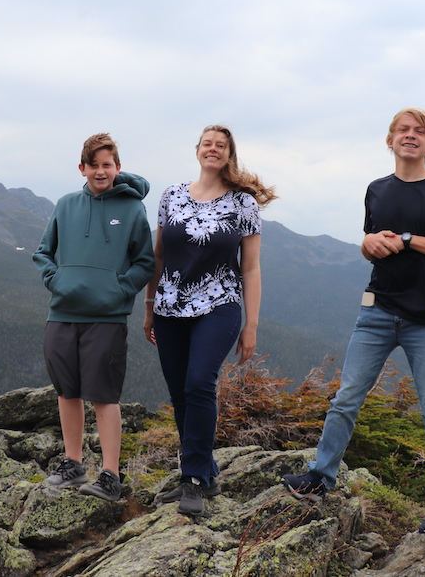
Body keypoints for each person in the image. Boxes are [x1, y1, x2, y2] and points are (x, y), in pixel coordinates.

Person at [281, 107, 425, 535]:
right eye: (402, 130)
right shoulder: (376, 190)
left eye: (419, 132)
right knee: (347, 398)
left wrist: (407, 239)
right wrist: (368, 244)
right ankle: (320, 478)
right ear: (390, 140)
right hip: (376, 310)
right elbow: (372, 246)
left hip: (424, 317)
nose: (410, 136)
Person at [143, 124, 277, 517]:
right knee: (181, 393)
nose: (213, 149)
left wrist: (251, 325)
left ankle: (196, 480)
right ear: (197, 150)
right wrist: (150, 306)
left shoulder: (243, 204)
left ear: (229, 154)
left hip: (220, 304)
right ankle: (200, 470)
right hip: (170, 306)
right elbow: (159, 255)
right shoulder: (171, 196)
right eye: (208, 144)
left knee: (200, 383)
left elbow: (250, 269)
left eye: (221, 145)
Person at [33, 132, 155, 502]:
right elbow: (43, 252)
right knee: (66, 391)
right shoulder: (66, 204)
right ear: (81, 168)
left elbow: (145, 261)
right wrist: (58, 282)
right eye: (93, 165)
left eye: (107, 165)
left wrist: (119, 290)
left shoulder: (133, 208)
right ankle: (72, 464)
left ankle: (110, 475)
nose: (100, 172)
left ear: (118, 168)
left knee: (103, 395)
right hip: (63, 312)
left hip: (107, 316)